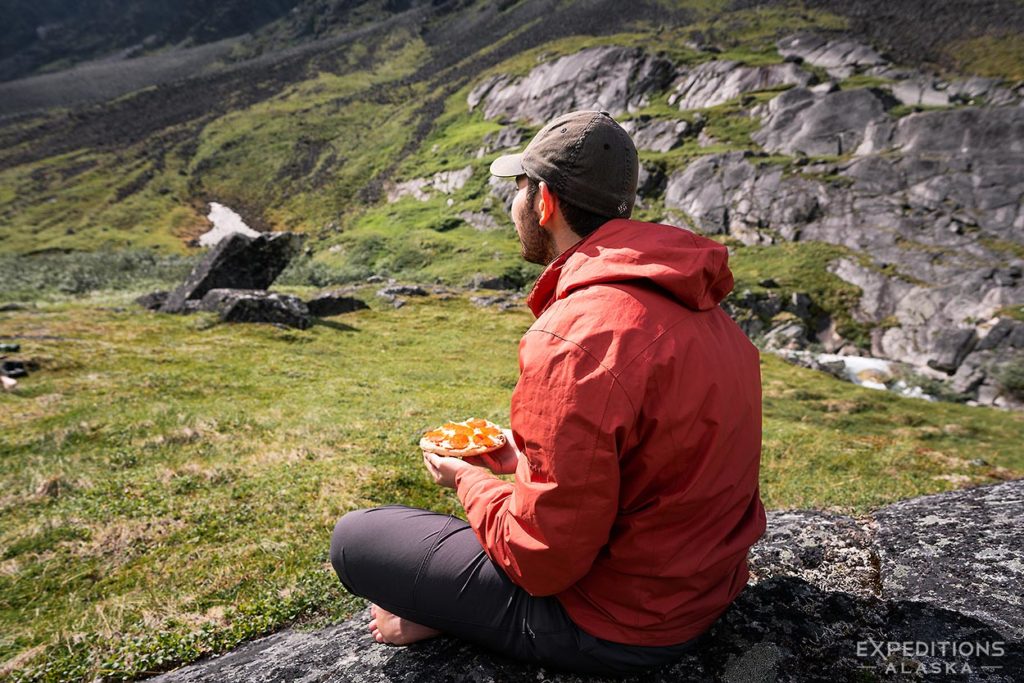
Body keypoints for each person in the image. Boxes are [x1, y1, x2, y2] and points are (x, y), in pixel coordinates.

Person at [330, 110, 766, 675]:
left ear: (545, 204)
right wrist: (527, 456)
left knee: (356, 540)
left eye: (518, 187)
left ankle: (453, 615)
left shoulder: (576, 337)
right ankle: (454, 605)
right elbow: (653, 461)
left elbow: (540, 561)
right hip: (705, 588)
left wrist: (470, 480)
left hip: (619, 625)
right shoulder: (703, 307)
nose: (514, 205)